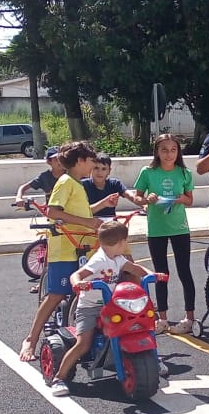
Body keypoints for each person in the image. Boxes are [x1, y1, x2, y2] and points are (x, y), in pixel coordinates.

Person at [50, 220, 154, 396]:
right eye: (125, 241)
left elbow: (136, 269)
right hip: (89, 308)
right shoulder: (99, 261)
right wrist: (78, 284)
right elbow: (77, 274)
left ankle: (151, 360)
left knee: (138, 327)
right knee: (83, 343)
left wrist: (151, 275)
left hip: (111, 305)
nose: (126, 245)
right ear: (119, 243)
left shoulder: (118, 259)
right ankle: (59, 378)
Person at [19, 141, 100, 362]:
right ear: (81, 161)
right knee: (56, 294)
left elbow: (78, 213)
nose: (94, 165)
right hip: (65, 248)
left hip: (81, 246)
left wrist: (93, 222)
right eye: (91, 160)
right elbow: (53, 212)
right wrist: (87, 221)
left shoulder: (77, 183)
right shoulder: (65, 182)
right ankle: (31, 340)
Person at [129, 134, 196, 334]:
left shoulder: (184, 172)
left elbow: (190, 200)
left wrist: (180, 198)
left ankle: (189, 317)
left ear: (178, 152)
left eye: (173, 150)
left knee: (184, 271)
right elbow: (137, 196)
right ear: (157, 152)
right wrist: (146, 199)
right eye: (164, 150)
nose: (169, 154)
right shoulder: (148, 172)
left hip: (179, 228)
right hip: (157, 229)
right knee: (161, 274)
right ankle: (163, 318)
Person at [83, 153, 135, 220]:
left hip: (110, 225)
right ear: (91, 169)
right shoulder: (83, 185)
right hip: (90, 224)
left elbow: (131, 196)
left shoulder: (115, 184)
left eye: (104, 169)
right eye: (96, 168)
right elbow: (82, 212)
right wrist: (104, 203)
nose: (99, 172)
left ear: (109, 171)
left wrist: (143, 203)